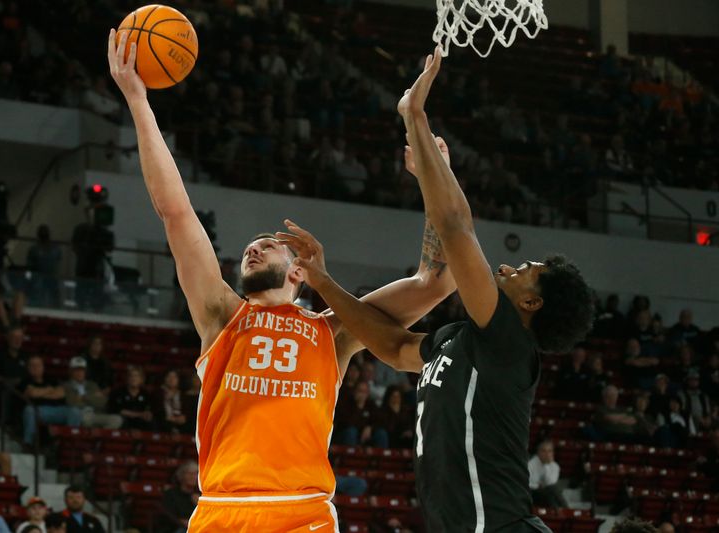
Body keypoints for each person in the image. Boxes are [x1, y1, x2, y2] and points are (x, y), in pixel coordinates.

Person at [108, 30, 453, 532]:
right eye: (251, 245)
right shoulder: (221, 314)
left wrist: (434, 177)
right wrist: (138, 101)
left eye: (270, 243)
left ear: (298, 270)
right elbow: (175, 212)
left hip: (302, 512)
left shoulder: (333, 330)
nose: (254, 246)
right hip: (221, 511)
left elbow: (435, 282)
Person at [277, 47, 593, 532]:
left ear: (531, 304)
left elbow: (455, 226)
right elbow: (390, 343)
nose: (509, 266)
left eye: (527, 270)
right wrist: (322, 281)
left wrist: (415, 119)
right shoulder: (455, 341)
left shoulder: (509, 343)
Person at [20, 354, 82, 447]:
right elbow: (32, 393)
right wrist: (50, 390)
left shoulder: (51, 379)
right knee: (29, 410)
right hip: (39, 410)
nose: (36, 368)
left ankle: (68, 444)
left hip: (58, 409)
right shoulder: (25, 381)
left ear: (43, 367)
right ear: (28, 368)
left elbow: (61, 393)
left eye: (38, 365)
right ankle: (28, 443)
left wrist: (40, 393)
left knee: (75, 411)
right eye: (32, 365)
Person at [63, 357, 121, 429]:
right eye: (76, 370)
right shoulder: (66, 385)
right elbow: (71, 402)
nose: (80, 373)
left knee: (116, 419)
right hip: (80, 415)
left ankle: (99, 437)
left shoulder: (92, 385)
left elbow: (102, 402)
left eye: (82, 370)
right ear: (71, 371)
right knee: (84, 419)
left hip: (95, 414)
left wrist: (84, 397)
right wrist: (93, 397)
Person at [107, 366, 154, 431]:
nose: (134, 378)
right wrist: (139, 414)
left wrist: (148, 415)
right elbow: (117, 410)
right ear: (127, 378)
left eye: (137, 376)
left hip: (140, 422)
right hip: (124, 421)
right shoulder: (118, 392)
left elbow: (148, 410)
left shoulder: (146, 394)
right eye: (131, 376)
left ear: (142, 379)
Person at [159, 461, 200, 533]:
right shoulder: (171, 494)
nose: (194, 477)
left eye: (196, 474)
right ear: (181, 475)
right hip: (175, 528)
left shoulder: (200, 495)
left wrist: (198, 504)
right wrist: (181, 521)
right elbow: (168, 516)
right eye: (190, 474)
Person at [527, 440, 567, 508]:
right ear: (538, 452)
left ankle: (565, 510)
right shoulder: (531, 464)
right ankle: (562, 511)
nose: (547, 454)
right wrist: (538, 486)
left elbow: (551, 483)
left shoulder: (555, 466)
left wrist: (547, 466)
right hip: (532, 492)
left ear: (552, 453)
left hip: (548, 491)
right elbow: (527, 483)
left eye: (549, 451)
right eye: (544, 451)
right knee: (550, 493)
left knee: (552, 491)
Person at [154, 369, 188, 434]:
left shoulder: (183, 394)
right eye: (169, 376)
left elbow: (186, 410)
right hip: (164, 422)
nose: (171, 379)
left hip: (181, 422)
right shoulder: (158, 393)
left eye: (174, 377)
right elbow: (156, 411)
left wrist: (184, 417)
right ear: (164, 379)